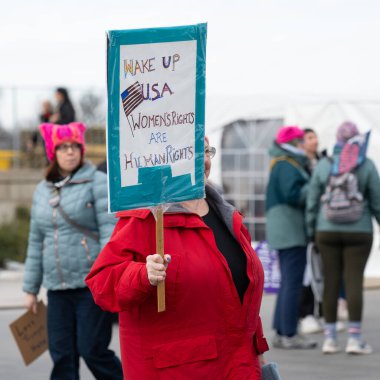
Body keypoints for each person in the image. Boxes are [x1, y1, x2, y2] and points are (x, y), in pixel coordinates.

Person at [85, 137, 269, 379]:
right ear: (171, 158)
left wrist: (259, 354)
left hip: (240, 366)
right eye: (193, 152)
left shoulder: (226, 215)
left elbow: (242, 298)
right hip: (182, 370)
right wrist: (142, 275)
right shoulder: (145, 217)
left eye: (206, 151)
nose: (203, 160)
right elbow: (102, 283)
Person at [23, 122, 123, 379]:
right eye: (63, 147)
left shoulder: (97, 182)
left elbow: (109, 233)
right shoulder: (42, 190)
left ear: (82, 149)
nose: (70, 152)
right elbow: (36, 240)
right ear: (52, 153)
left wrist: (106, 275)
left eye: (74, 146)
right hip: (57, 288)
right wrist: (30, 289)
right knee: (62, 355)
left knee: (92, 350)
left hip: (91, 285)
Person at [306, 121, 380, 355]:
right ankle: (354, 339)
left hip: (326, 230)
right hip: (359, 230)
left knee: (330, 281)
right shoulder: (365, 164)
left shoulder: (325, 165)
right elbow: (377, 200)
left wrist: (311, 230)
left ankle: (330, 339)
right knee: (354, 281)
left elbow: (312, 199)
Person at [265, 125, 317, 349]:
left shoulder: (281, 161)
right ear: (295, 143)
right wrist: (314, 185)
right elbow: (293, 195)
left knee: (288, 281)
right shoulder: (288, 164)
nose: (306, 144)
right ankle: (289, 333)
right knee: (292, 282)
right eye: (303, 140)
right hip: (290, 230)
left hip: (284, 228)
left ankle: (281, 331)